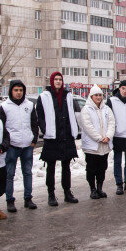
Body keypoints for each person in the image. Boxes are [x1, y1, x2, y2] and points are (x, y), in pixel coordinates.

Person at [36, 71, 79, 206]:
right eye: (56, 79)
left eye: (60, 79)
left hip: (66, 135)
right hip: (52, 136)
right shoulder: (44, 96)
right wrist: (45, 130)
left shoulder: (68, 96)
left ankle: (67, 192)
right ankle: (51, 194)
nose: (58, 82)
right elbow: (40, 115)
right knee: (51, 166)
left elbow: (72, 113)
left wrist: (73, 130)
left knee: (66, 166)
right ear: (52, 81)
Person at [0, 80, 38, 212]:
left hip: (27, 144)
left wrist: (34, 140)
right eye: (16, 90)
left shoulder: (30, 105)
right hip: (12, 146)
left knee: (27, 172)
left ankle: (28, 198)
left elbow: (34, 123)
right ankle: (10, 200)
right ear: (11, 91)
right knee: (9, 174)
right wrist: (6, 143)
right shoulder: (5, 106)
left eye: (21, 90)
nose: (19, 93)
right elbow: (1, 126)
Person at [79, 85, 116, 199]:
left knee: (102, 168)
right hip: (92, 146)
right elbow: (87, 126)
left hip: (105, 145)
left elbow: (111, 123)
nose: (99, 97)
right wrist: (100, 138)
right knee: (91, 169)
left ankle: (100, 188)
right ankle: (92, 189)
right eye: (96, 95)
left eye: (100, 95)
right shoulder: (86, 110)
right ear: (91, 96)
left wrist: (108, 136)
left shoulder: (107, 109)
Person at [106, 80, 126, 195]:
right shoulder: (112, 101)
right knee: (117, 161)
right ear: (119, 88)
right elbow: (108, 118)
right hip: (118, 135)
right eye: (123, 88)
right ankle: (119, 184)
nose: (125, 91)